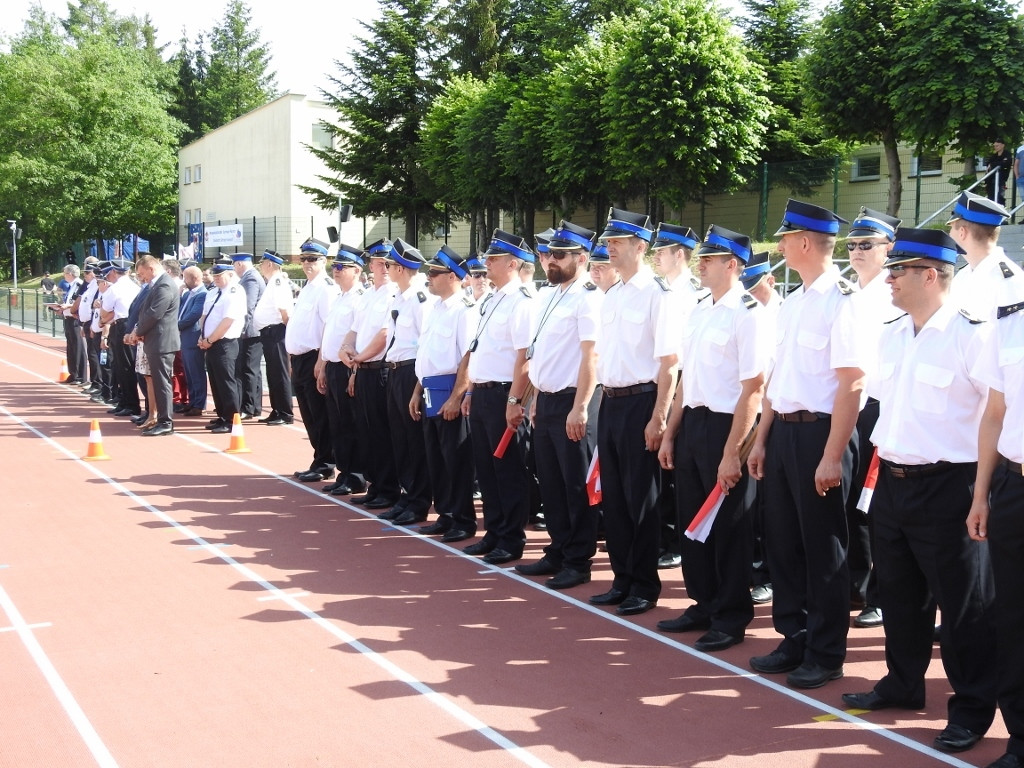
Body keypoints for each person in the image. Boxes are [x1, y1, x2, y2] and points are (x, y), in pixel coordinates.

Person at [842, 228, 998, 756]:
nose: (888, 279)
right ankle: (902, 683)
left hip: (950, 486)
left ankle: (972, 708)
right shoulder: (892, 333)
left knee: (963, 608)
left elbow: (994, 420)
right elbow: (886, 407)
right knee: (901, 597)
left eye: (898, 270)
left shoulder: (971, 335)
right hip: (893, 481)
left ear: (930, 275)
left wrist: (982, 494)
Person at [746, 199, 863, 690]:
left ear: (807, 243)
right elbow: (778, 381)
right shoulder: (793, 303)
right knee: (784, 544)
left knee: (823, 547)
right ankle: (793, 634)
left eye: (786, 238)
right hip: (785, 433)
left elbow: (851, 384)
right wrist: (759, 440)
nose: (780, 245)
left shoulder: (844, 301)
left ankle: (826, 649)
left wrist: (833, 455)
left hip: (821, 434)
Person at [656, 225, 767, 651]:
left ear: (733, 265)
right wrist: (671, 433)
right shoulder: (701, 309)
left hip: (727, 427)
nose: (700, 264)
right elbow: (688, 378)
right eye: (701, 258)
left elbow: (752, 388)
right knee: (692, 521)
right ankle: (703, 602)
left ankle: (731, 613)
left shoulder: (748, 313)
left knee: (729, 527)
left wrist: (732, 452)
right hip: (694, 425)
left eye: (709, 259)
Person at [590, 208, 681, 617]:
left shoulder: (657, 295)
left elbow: (669, 363)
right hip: (610, 402)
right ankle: (622, 578)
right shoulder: (614, 294)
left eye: (616, 242)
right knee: (615, 498)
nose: (608, 248)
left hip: (642, 402)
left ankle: (644, 584)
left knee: (641, 498)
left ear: (640, 247)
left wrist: (659, 416)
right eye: (608, 242)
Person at [514, 221, 603, 590]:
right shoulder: (550, 295)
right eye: (550, 254)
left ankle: (578, 560)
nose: (551, 260)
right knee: (550, 481)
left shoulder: (589, 296)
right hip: (547, 401)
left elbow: (591, 357)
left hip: (574, 400)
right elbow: (541, 353)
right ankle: (559, 547)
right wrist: (532, 397)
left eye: (560, 255)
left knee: (575, 485)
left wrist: (580, 407)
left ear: (581, 258)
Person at [967, 266, 1024, 768]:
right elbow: (994, 415)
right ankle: (1021, 738)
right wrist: (982, 493)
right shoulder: (1009, 324)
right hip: (1013, 484)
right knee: (1013, 616)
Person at [844, 207, 903, 629]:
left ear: (889, 249)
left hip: (883, 407)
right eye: (852, 245)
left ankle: (879, 594)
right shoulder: (848, 294)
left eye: (867, 244)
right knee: (851, 504)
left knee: (875, 506)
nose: (857, 251)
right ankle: (858, 582)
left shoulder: (894, 295)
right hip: (851, 409)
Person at [462, 229, 535, 565]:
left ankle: (511, 538)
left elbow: (524, 356)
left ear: (513, 263)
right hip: (483, 393)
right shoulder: (490, 300)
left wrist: (514, 402)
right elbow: (480, 351)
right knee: (487, 468)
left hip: (505, 394)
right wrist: (471, 390)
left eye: (493, 259)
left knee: (507, 470)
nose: (486, 264)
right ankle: (493, 532)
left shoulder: (522, 302)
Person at [649, 221, 706, 571]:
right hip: (669, 386)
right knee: (671, 472)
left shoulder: (693, 294)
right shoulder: (665, 292)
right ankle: (670, 538)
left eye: (661, 251)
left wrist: (665, 410)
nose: (656, 257)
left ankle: (673, 541)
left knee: (673, 477)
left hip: (684, 387)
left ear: (679, 254)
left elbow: (679, 360)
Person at [412, 245, 478, 542]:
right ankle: (446, 515)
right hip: (429, 388)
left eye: (435, 272)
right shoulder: (435, 308)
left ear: (453, 276)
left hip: (449, 389)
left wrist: (456, 396)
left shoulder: (464, 311)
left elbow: (468, 356)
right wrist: (417, 390)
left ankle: (463, 520)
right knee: (435, 458)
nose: (429, 276)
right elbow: (425, 354)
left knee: (456, 460)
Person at [341, 239, 400, 507]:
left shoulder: (394, 294)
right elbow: (355, 331)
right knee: (366, 431)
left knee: (382, 433)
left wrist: (358, 359)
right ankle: (376, 484)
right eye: (379, 262)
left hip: (380, 370)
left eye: (389, 262)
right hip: (363, 370)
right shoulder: (367, 295)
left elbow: (384, 335)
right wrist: (346, 348)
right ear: (370, 264)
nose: (385, 267)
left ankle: (389, 489)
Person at [382, 239, 435, 525]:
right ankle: (406, 495)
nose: (385, 268)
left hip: (411, 372)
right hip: (394, 370)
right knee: (399, 440)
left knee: (415, 441)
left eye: (389, 265)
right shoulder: (398, 298)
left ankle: (419, 501)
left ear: (401, 269)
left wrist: (417, 384)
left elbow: (423, 344)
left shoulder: (419, 299)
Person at [285, 238, 340, 479]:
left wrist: (322, 361)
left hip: (313, 357)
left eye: (312, 259)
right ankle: (319, 458)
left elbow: (329, 327)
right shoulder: (308, 288)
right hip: (299, 358)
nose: (307, 263)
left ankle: (325, 463)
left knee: (319, 414)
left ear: (323, 261)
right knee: (308, 413)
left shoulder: (326, 289)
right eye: (304, 258)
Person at [318, 245, 367, 496]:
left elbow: (360, 339)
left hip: (349, 368)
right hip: (333, 366)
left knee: (351, 423)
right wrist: (322, 363)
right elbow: (330, 336)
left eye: (341, 267)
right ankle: (344, 472)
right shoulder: (340, 297)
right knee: (337, 423)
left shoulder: (360, 298)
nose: (335, 271)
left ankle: (356, 475)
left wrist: (355, 373)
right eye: (334, 266)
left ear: (357, 271)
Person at [947, 190, 1024, 320]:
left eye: (951, 227)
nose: (949, 234)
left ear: (962, 232)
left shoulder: (1009, 282)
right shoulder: (963, 275)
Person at [132, 255, 181, 436]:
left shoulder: (165, 285)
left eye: (142, 273)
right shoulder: (158, 284)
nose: (141, 277)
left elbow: (154, 313)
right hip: (156, 340)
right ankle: (161, 419)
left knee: (162, 383)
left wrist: (137, 332)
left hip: (162, 341)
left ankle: (166, 422)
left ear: (151, 268)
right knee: (159, 381)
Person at [199, 259, 247, 434]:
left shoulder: (235, 291)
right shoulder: (213, 292)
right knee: (216, 381)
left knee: (227, 382)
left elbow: (228, 321)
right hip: (210, 342)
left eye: (220, 275)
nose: (216, 278)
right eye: (215, 275)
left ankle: (232, 419)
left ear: (231, 274)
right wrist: (202, 337)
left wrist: (210, 339)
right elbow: (204, 315)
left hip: (225, 342)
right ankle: (222, 415)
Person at [253, 250, 295, 425]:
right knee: (272, 373)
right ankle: (277, 410)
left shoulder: (278, 282)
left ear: (269, 264)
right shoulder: (272, 282)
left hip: (276, 332)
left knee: (280, 373)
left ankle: (285, 412)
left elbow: (284, 312)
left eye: (262, 264)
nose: (261, 267)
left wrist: (290, 335)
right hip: (269, 333)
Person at [231, 252, 266, 420]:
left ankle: (248, 407)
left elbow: (248, 307)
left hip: (250, 332)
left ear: (239, 264)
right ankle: (254, 406)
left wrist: (241, 330)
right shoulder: (250, 276)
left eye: (233, 264)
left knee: (249, 370)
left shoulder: (250, 278)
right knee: (252, 370)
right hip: (252, 331)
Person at [177, 265, 207, 416]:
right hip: (185, 338)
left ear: (194, 279)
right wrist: (178, 293)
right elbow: (177, 309)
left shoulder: (202, 294)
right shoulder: (187, 294)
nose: (183, 280)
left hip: (192, 336)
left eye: (185, 278)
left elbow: (194, 315)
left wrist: (176, 326)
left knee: (196, 372)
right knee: (188, 372)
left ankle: (199, 404)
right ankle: (192, 400)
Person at [56, 264, 86, 384]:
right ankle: (73, 373)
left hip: (75, 319)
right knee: (71, 347)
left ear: (70, 274)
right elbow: (70, 301)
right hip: (68, 317)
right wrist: (61, 309)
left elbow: (77, 303)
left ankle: (80, 376)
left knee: (78, 347)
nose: (64, 276)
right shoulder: (72, 285)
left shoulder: (79, 284)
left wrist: (66, 307)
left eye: (65, 273)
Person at [986, 140, 1013, 206]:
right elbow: (988, 164)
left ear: (1002, 145)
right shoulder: (994, 156)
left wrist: (992, 165)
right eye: (994, 146)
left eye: (997, 145)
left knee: (999, 197)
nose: (995, 147)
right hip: (990, 179)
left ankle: (1001, 211)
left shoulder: (1007, 154)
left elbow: (1005, 163)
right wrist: (994, 164)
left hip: (1000, 179)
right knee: (990, 198)